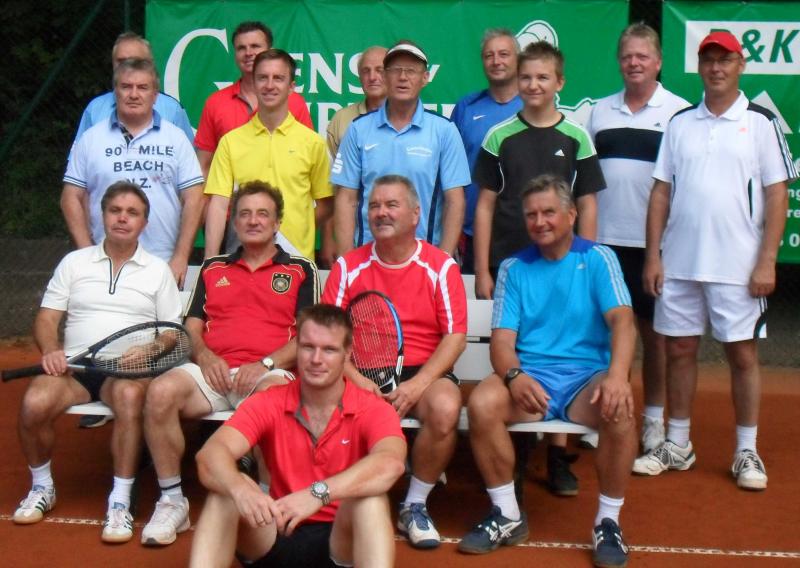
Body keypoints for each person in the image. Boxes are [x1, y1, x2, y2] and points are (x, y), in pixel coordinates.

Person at [635, 31, 796, 491]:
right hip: (680, 262)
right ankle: (677, 443)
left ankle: (746, 449)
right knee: (679, 350)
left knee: (741, 355)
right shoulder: (681, 123)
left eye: (724, 60)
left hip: (738, 267)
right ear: (700, 66)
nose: (716, 68)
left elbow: (777, 195)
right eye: (708, 60)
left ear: (740, 64)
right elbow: (661, 192)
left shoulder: (761, 122)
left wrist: (767, 260)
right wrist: (653, 257)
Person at [459, 174, 636, 568]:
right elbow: (502, 343)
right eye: (531, 215)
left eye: (549, 212)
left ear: (571, 215)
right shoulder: (513, 268)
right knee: (483, 404)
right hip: (531, 380)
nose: (540, 222)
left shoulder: (599, 259)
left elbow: (623, 322)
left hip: (585, 381)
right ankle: (507, 514)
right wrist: (514, 376)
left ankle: (608, 522)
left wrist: (617, 376)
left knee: (620, 409)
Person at [140, 181, 319, 546]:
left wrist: (265, 363)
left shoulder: (301, 269)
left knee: (275, 399)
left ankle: (269, 502)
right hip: (213, 375)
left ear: (277, 223)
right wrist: (205, 357)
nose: (253, 221)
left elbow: (309, 334)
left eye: (263, 214)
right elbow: (191, 328)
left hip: (268, 374)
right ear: (234, 222)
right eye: (245, 214)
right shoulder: (212, 267)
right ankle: (173, 501)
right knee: (160, 392)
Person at [12, 182, 182, 544]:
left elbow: (171, 333)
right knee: (34, 402)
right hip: (75, 371)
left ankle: (119, 501)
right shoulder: (74, 263)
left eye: (132, 213)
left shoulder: (157, 270)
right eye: (115, 210)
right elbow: (46, 318)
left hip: (125, 372)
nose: (122, 218)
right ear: (103, 216)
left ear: (144, 222)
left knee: (129, 397)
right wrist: (51, 349)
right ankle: (42, 487)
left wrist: (149, 349)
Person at [472, 40, 606, 494]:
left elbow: (587, 202)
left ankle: (557, 455)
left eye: (543, 77)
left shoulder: (577, 137)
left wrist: (585, 260)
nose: (533, 85)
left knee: (561, 353)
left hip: (564, 268)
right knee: (517, 351)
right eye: (526, 77)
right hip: (511, 268)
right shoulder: (499, 136)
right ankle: (514, 451)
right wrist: (484, 269)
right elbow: (484, 205)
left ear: (559, 82)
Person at [189, 304, 406, 568]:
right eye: (307, 347)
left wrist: (318, 494)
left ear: (347, 353)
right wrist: (240, 488)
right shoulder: (269, 401)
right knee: (225, 491)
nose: (316, 359)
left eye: (329, 350)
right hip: (279, 529)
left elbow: (390, 464)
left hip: (341, 541)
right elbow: (210, 455)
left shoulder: (372, 408)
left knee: (370, 500)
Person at [322, 174, 467, 549]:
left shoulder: (441, 267)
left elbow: (455, 337)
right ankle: (335, 502)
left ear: (415, 214)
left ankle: (413, 504)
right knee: (321, 403)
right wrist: (356, 379)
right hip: (360, 372)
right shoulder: (347, 267)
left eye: (391, 205)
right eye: (374, 206)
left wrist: (418, 385)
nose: (381, 213)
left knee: (445, 406)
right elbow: (327, 335)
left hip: (424, 372)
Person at [586, 23, 689, 453]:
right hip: (604, 244)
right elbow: (585, 180)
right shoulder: (599, 112)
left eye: (642, 56)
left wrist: (659, 251)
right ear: (619, 61)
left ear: (658, 62)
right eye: (627, 56)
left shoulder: (680, 113)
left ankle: (652, 421)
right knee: (607, 334)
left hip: (656, 249)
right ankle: (606, 414)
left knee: (655, 337)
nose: (634, 63)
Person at [62, 57, 204, 289]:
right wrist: (87, 253)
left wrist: (181, 256)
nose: (134, 94)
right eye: (126, 87)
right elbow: (70, 197)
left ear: (155, 95)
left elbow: (195, 198)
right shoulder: (91, 139)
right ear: (115, 92)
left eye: (143, 87)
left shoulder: (176, 138)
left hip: (164, 262)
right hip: (103, 263)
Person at [331, 40, 470, 258]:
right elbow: (345, 199)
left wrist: (442, 261)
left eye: (411, 70)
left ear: (425, 78)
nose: (403, 77)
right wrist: (346, 260)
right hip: (368, 259)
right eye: (395, 70)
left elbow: (455, 201)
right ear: (385, 77)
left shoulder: (444, 131)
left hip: (424, 260)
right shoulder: (358, 130)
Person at [203, 49, 332, 261]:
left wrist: (299, 229)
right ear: (254, 83)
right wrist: (209, 262)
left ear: (291, 87)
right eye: (263, 78)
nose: (270, 85)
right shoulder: (230, 142)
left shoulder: (313, 143)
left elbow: (327, 203)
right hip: (242, 260)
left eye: (278, 78)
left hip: (296, 261)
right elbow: (218, 205)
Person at [194, 21, 313, 178]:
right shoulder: (215, 103)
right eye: (241, 48)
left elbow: (308, 158)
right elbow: (204, 166)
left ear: (270, 51)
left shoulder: (295, 102)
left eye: (255, 46)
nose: (248, 52)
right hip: (229, 194)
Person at [450, 28, 522, 274]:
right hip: (472, 234)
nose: (496, 61)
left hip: (525, 234)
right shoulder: (466, 107)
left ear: (518, 59)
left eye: (504, 54)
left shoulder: (533, 104)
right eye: (489, 55)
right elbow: (450, 172)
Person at [318, 45, 388, 269]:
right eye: (366, 71)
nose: (372, 77)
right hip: (355, 234)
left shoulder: (406, 119)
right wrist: (329, 238)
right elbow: (334, 187)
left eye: (379, 70)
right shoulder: (342, 120)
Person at [71, 31, 194, 151]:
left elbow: (188, 159)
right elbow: (78, 161)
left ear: (150, 64)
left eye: (135, 62)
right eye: (121, 61)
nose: (128, 67)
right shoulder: (94, 109)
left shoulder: (172, 109)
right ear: (112, 63)